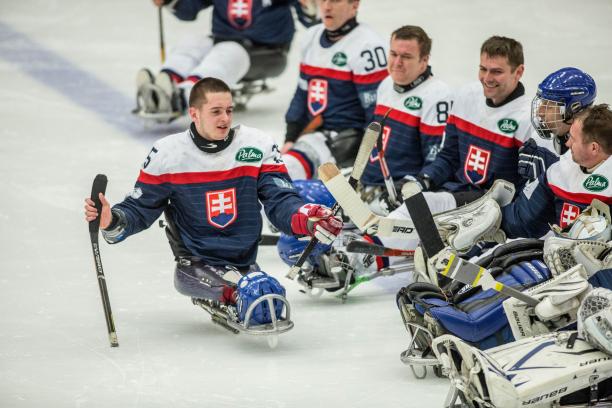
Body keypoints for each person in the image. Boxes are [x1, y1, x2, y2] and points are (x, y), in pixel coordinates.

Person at [85, 77, 342, 326]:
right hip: (197, 263)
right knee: (258, 300)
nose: (225, 119)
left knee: (269, 299)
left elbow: (280, 199)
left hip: (245, 260)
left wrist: (306, 215)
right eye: (216, 111)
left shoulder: (257, 145)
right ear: (194, 113)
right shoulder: (168, 154)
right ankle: (234, 291)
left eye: (229, 110)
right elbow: (140, 207)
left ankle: (243, 286)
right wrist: (113, 220)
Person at [135, 0, 318, 121]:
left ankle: (185, 96)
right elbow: (189, 9)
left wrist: (310, 6)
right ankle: (163, 88)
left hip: (268, 53)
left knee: (228, 52)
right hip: (223, 41)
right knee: (193, 42)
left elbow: (311, 19)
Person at [281, 0, 388, 180]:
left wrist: (367, 164)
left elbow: (377, 115)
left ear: (354, 5)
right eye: (322, 0)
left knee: (284, 173)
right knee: (272, 171)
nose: (327, 6)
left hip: (345, 142)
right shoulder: (311, 36)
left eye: (335, 1)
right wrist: (290, 136)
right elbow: (301, 93)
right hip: (312, 135)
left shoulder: (368, 45)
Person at [359, 25, 452, 212]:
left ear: (424, 60)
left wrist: (410, 188)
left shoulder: (437, 95)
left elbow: (438, 159)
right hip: (368, 185)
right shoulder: (386, 84)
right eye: (393, 54)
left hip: (394, 197)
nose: (397, 62)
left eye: (406, 57)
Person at [502, 103, 612, 239]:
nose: (567, 144)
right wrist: (494, 217)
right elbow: (522, 219)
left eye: (573, 139)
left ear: (594, 148)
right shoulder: (561, 170)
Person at [518, 67, 596, 183]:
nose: (540, 112)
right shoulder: (538, 144)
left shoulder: (599, 155)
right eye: (542, 103)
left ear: (574, 109)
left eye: (549, 106)